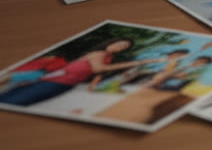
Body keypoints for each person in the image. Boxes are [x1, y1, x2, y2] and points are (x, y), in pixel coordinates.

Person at [0, 38, 163, 107]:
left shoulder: (108, 57)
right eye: (119, 44)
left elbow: (97, 73)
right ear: (111, 43)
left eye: (124, 47)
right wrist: (140, 62)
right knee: (16, 101)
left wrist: (93, 86)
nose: (119, 47)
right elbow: (98, 68)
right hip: (54, 81)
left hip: (64, 84)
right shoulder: (99, 53)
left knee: (24, 102)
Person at [0, 54, 67, 93]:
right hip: (30, 73)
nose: (50, 56)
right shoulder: (57, 62)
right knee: (10, 83)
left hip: (31, 73)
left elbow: (49, 69)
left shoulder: (59, 61)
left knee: (9, 81)